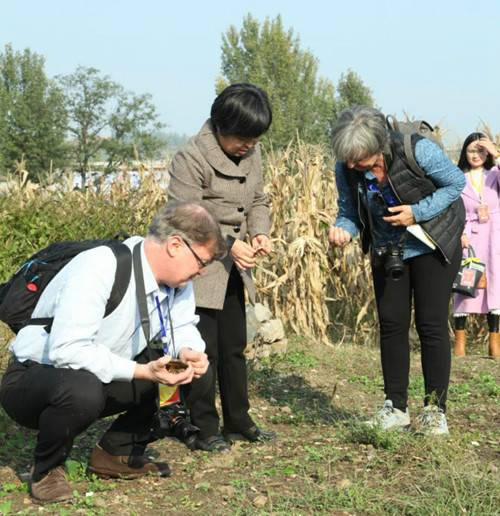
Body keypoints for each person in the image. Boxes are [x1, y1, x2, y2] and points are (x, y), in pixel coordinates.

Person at [0, 202, 226, 504]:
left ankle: (115, 451)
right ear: (175, 245)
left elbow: (183, 326)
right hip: (35, 380)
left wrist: (189, 352)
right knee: (82, 388)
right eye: (201, 261)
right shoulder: (101, 265)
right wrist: (145, 371)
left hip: (103, 370)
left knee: (190, 373)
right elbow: (69, 351)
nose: (200, 272)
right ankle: (48, 468)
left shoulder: (177, 283)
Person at [328, 106, 465, 435]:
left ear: (377, 145)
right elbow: (348, 209)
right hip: (387, 251)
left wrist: (416, 212)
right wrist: (343, 228)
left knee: (431, 325)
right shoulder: (346, 167)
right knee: (392, 325)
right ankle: (395, 407)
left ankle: (434, 410)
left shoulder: (417, 149)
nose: (350, 165)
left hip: (431, 244)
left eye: (357, 158)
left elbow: (455, 184)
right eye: (346, 157)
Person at [166, 83, 276, 452]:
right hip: (198, 267)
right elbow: (186, 216)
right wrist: (229, 244)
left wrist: (260, 233)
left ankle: (239, 421)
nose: (249, 145)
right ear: (219, 125)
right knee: (202, 351)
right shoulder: (191, 157)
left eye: (255, 138)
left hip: (234, 267)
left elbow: (258, 199)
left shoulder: (252, 152)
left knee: (234, 347)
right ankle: (203, 427)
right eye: (242, 138)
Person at [453, 132, 500, 358]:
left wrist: (496, 153)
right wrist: (460, 233)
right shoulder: (457, 177)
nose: (476, 155)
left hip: (494, 236)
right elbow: (454, 210)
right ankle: (459, 344)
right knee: (465, 283)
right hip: (469, 236)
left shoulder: (494, 174)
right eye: (472, 150)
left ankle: (494, 344)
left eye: (480, 150)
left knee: (494, 285)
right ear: (464, 152)